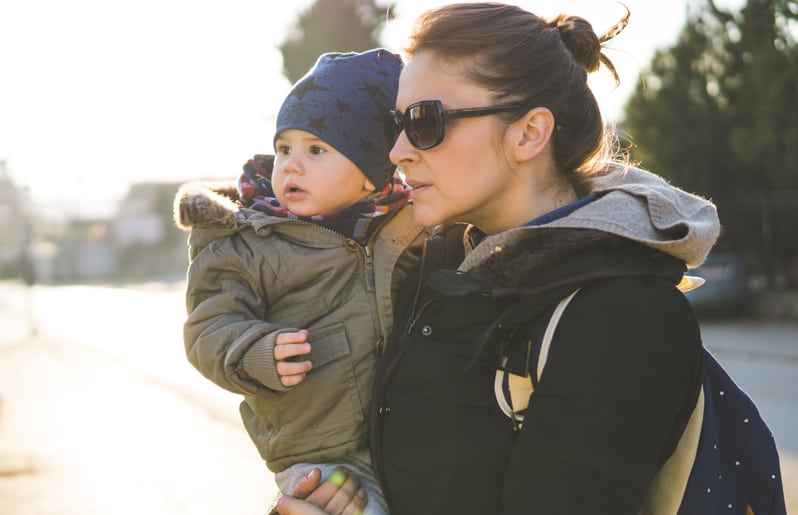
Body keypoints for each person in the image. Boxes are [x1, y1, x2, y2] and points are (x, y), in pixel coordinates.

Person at [272, 3, 745, 515]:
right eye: (397, 123)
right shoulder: (433, 261)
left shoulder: (620, 317)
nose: (398, 151)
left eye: (425, 121)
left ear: (529, 134)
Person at [174, 48, 427, 515]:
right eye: (284, 148)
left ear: (373, 176)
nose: (290, 165)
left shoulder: (408, 225)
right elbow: (208, 326)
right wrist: (255, 352)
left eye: (316, 150)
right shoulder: (247, 242)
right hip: (319, 453)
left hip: (400, 434)